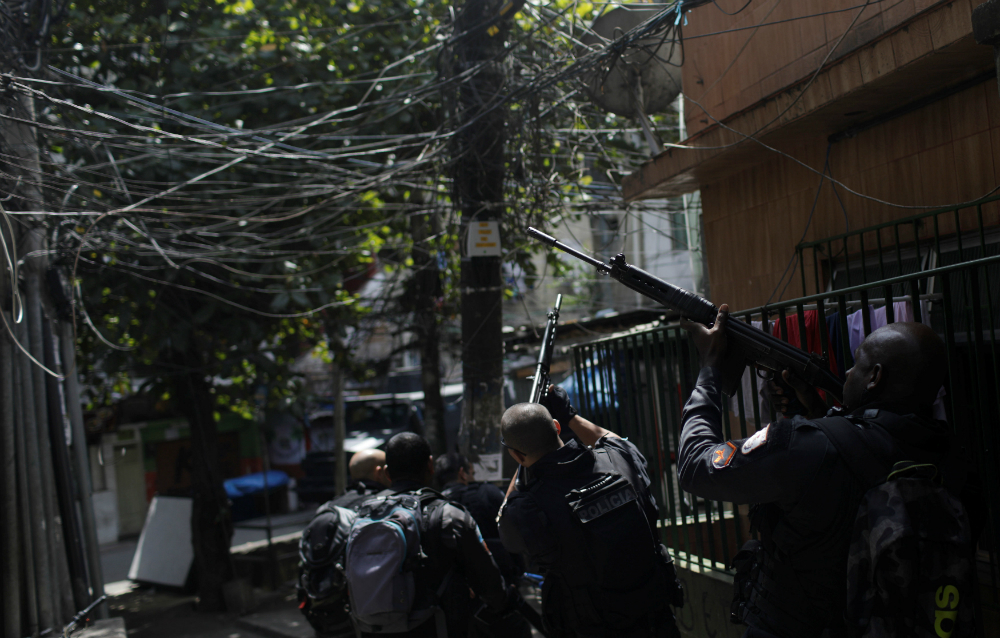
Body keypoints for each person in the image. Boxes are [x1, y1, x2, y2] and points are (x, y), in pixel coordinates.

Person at [678, 306, 980, 638]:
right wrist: (816, 411)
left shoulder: (807, 447)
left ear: (874, 377)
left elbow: (696, 465)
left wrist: (709, 369)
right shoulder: (954, 462)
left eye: (857, 364)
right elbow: (863, 469)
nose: (848, 371)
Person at [497, 387, 683, 638]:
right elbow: (613, 439)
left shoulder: (528, 508)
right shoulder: (618, 460)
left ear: (518, 455)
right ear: (557, 427)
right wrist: (569, 414)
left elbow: (504, 519)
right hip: (656, 622)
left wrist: (524, 462)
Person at [357, 432, 517, 638]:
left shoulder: (363, 515)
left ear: (387, 473)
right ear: (430, 466)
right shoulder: (449, 516)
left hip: (375, 630)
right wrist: (503, 601)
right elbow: (489, 582)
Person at [435, 452, 531, 638]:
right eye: (471, 472)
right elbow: (512, 532)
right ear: (462, 473)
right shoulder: (488, 493)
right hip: (504, 595)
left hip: (461, 605)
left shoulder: (435, 508)